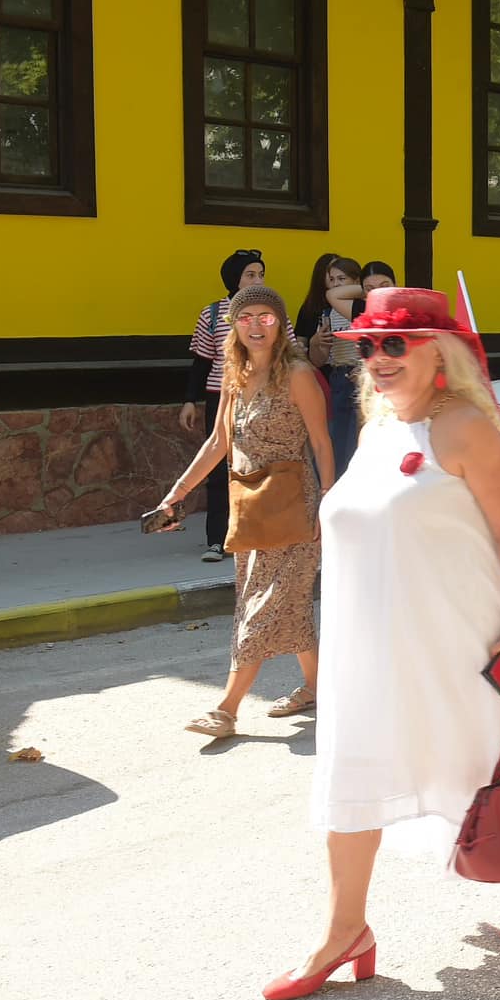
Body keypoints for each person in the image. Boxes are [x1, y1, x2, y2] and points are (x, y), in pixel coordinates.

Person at [262, 287, 500, 1000]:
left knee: (492, 760)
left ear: (440, 352)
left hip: (457, 636)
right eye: (369, 346)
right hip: (367, 643)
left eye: (396, 344)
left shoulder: (466, 430)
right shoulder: (375, 429)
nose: (380, 359)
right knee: (351, 772)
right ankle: (344, 931)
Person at [153, 285, 332, 736]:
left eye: (265, 317)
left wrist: (328, 503)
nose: (255, 325)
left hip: (296, 505)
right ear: (233, 325)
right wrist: (177, 492)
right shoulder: (233, 375)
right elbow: (218, 443)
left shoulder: (298, 374)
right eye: (246, 317)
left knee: (263, 608)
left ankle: (227, 709)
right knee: (283, 606)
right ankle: (320, 688)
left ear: (280, 325)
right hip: (251, 507)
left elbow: (321, 440)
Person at [180, 249, 266, 561]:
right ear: (234, 279)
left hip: (260, 399)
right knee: (218, 469)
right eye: (250, 274)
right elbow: (201, 362)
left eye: (260, 274)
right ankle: (218, 538)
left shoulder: (272, 313)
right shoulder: (213, 314)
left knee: (257, 467)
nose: (257, 280)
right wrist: (190, 400)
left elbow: (290, 355)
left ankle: (255, 534)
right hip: (220, 398)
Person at [299, 255, 365, 478]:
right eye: (332, 280)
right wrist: (317, 344)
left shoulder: (364, 307)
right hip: (338, 378)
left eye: (342, 279)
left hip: (362, 379)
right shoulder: (326, 314)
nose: (336, 285)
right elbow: (318, 360)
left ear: (356, 280)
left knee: (357, 445)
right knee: (336, 439)